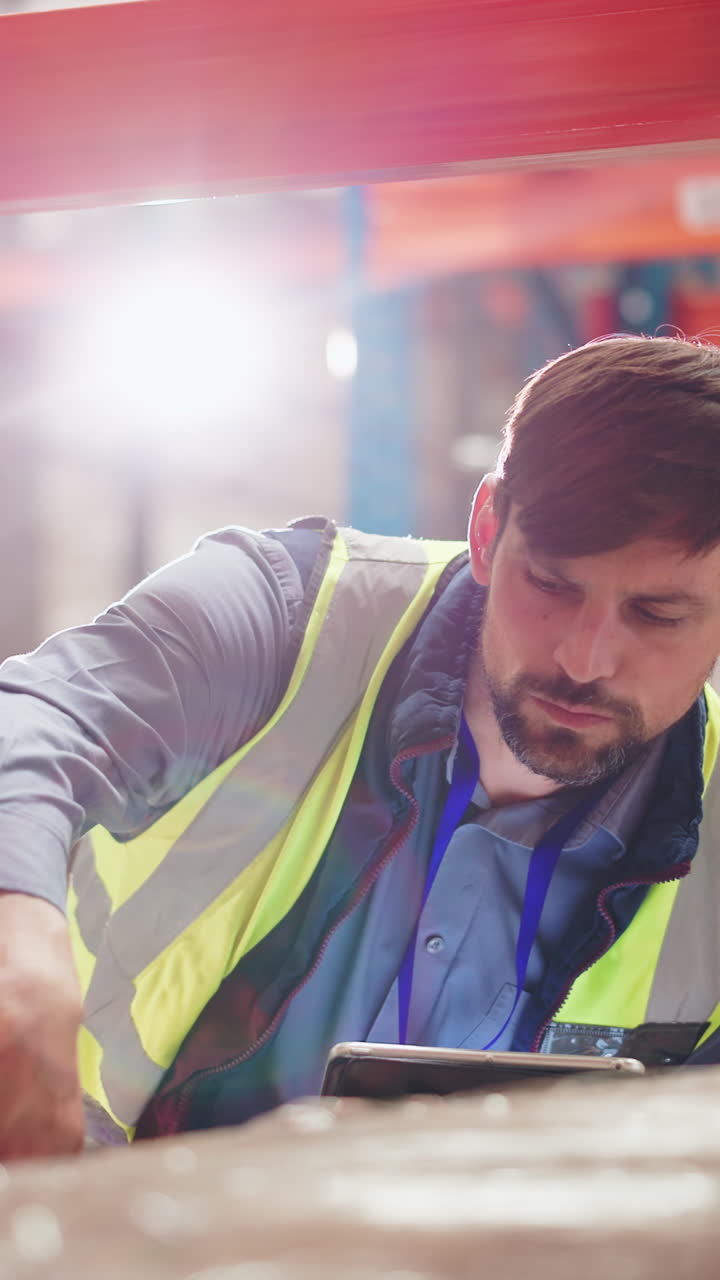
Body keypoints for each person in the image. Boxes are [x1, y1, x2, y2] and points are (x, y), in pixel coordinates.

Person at [3, 333, 720, 1160]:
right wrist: (18, 948)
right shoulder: (286, 618)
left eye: (659, 614)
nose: (585, 658)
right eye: (553, 585)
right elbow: (28, 722)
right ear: (488, 530)